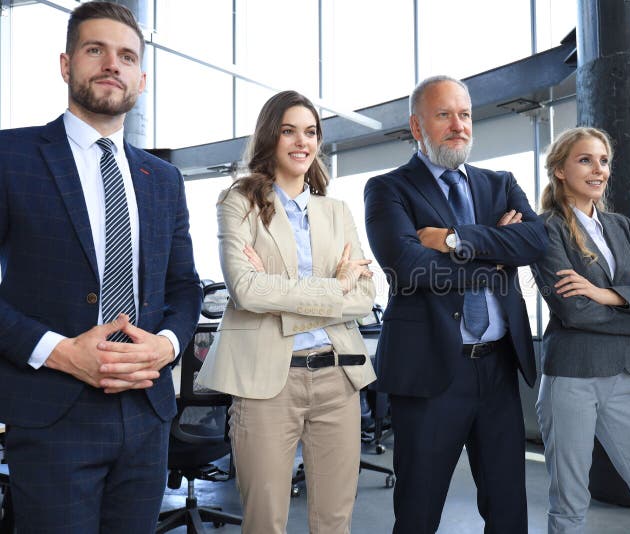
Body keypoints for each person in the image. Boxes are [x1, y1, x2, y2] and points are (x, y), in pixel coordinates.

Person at [0, 2, 202, 532]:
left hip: (146, 415)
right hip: (51, 413)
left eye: (126, 56)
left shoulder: (163, 178)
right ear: (67, 65)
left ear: (141, 78)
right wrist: (60, 351)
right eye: (96, 50)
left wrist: (169, 344)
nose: (112, 64)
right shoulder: (11, 156)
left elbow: (184, 287)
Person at [364, 75, 549, 533]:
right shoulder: (388, 189)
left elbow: (537, 241)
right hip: (429, 373)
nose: (458, 125)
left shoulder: (498, 184)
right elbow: (410, 267)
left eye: (464, 115)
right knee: (418, 513)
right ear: (416, 125)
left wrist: (454, 239)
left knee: (508, 513)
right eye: (443, 114)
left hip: (498, 369)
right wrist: (496, 253)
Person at [196, 90, 377, 534]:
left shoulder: (336, 211)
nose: (302, 141)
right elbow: (246, 289)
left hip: (339, 379)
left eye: (311, 132)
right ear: (270, 137)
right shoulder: (239, 202)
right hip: (265, 387)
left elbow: (365, 297)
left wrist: (284, 297)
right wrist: (334, 287)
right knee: (264, 524)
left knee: (335, 523)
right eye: (289, 130)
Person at [532, 127, 630, 533]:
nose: (598, 169)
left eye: (603, 161)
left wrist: (606, 295)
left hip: (624, 380)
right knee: (570, 506)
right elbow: (573, 311)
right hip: (572, 378)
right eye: (585, 160)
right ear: (560, 170)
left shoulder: (621, 226)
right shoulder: (546, 228)